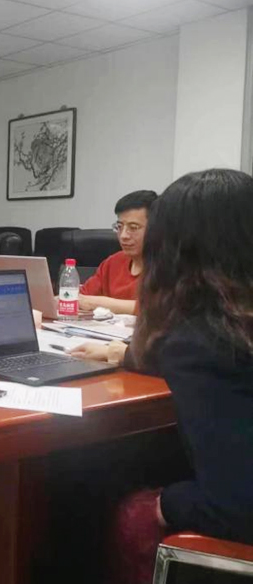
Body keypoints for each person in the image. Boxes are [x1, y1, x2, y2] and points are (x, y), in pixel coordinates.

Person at [71, 169, 253, 583]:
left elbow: (235, 504)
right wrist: (123, 354)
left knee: (132, 514)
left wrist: (165, 505)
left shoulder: (202, 339)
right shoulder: (229, 325)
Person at [79, 190, 157, 315]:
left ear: (155, 228)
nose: (123, 236)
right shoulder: (112, 263)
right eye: (120, 227)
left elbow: (159, 309)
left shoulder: (167, 267)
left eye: (133, 228)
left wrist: (98, 303)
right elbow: (82, 298)